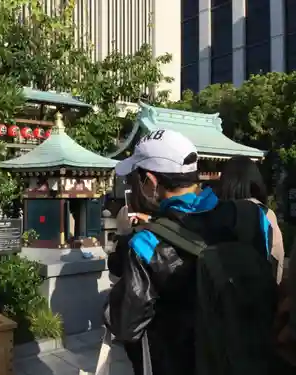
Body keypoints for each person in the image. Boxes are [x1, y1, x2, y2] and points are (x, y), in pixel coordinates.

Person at [106, 129, 277, 375]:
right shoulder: (251, 218)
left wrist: (124, 239)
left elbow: (125, 326)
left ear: (151, 182)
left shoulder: (146, 243)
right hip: (249, 357)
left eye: (137, 177)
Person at [217, 155, 285, 283]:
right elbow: (277, 258)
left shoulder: (215, 213)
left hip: (220, 295)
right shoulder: (265, 214)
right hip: (259, 294)